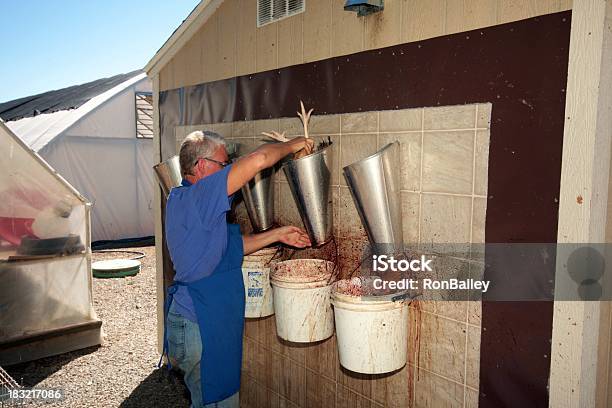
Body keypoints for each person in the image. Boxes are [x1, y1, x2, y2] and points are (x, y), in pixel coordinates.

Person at [162, 130, 314, 408]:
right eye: (224, 165)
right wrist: (293, 144)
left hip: (199, 322)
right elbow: (260, 160)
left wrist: (277, 234)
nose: (228, 170)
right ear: (201, 166)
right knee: (217, 401)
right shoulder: (200, 196)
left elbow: (226, 249)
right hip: (201, 324)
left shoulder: (186, 201)